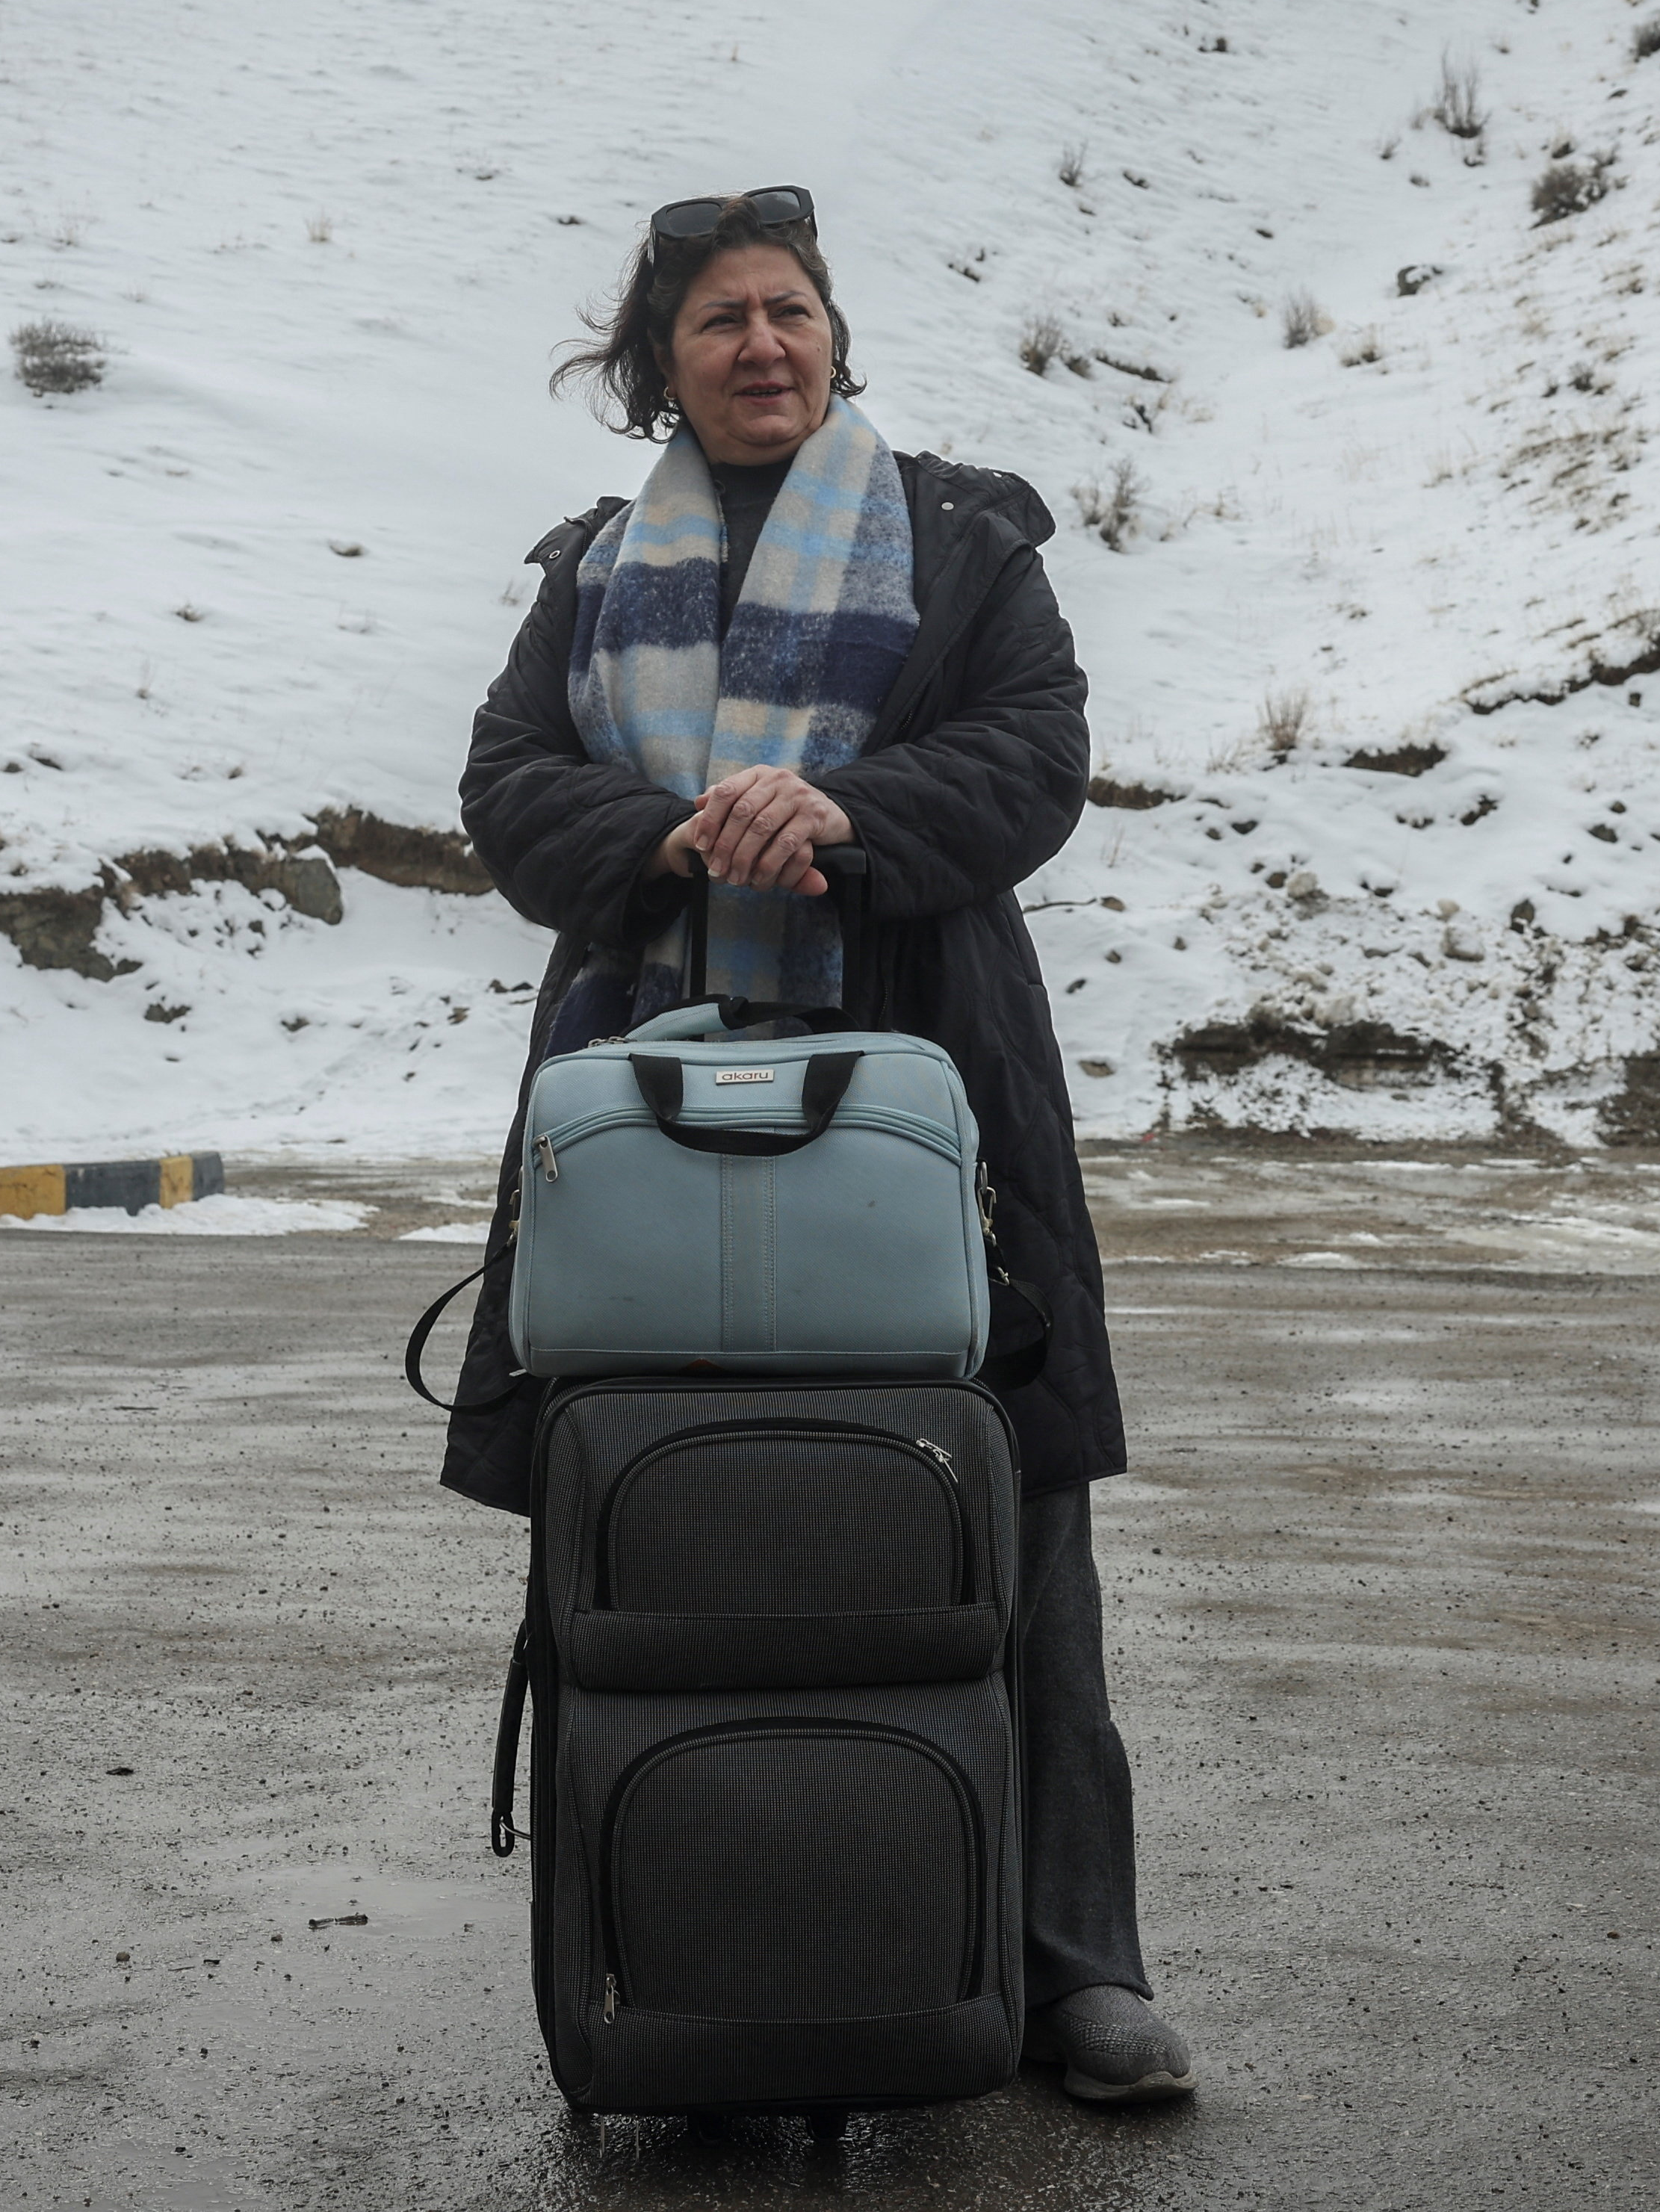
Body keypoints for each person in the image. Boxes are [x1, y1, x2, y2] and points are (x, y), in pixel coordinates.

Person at [438, 185, 1195, 2106]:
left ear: (835, 335)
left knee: (1005, 1501)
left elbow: (1034, 752)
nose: (760, 344)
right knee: (657, 1509)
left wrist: (833, 810)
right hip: (642, 1090)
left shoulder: (963, 543)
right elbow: (508, 781)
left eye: (787, 310)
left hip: (920, 1076)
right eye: (716, 322)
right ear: (656, 365)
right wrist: (667, 835)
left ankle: (1068, 1968)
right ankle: (684, 1940)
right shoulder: (588, 565)